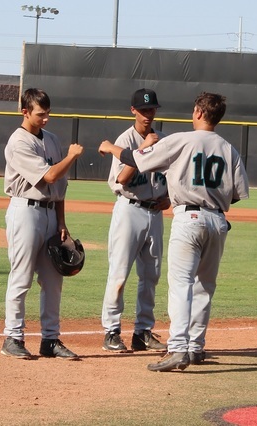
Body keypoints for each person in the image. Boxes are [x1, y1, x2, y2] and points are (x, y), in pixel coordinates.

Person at [98, 92, 249, 372]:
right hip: (217, 220)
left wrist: (109, 148)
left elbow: (136, 158)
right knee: (205, 288)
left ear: (200, 113)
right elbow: (238, 193)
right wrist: (212, 199)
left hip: (188, 218)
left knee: (181, 285)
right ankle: (195, 347)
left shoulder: (181, 139)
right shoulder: (229, 148)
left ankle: (179, 348)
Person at [0, 88, 84, 360]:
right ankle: (13, 337)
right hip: (25, 211)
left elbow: (60, 185)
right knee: (21, 276)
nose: (46, 118)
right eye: (40, 114)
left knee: (53, 280)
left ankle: (50, 339)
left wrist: (62, 221)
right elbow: (49, 176)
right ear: (25, 112)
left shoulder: (52, 140)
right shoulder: (18, 142)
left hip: (50, 214)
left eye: (48, 113)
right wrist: (70, 156)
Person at [101, 88, 169, 353]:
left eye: (152, 109)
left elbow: (174, 176)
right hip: (129, 210)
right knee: (119, 273)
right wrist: (141, 150)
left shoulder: (163, 139)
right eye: (143, 110)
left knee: (151, 276)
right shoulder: (126, 139)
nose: (148, 114)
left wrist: (170, 199)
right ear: (133, 111)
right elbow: (121, 179)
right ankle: (111, 331)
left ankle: (142, 332)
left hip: (155, 212)